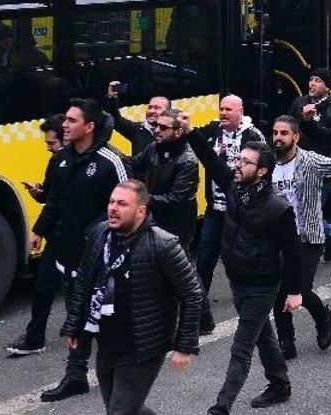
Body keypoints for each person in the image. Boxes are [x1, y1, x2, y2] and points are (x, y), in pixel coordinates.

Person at [60, 180, 204, 415]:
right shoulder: (100, 235)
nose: (113, 208)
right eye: (111, 202)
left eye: (122, 204)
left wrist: (184, 346)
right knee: (127, 409)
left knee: (119, 412)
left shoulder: (162, 244)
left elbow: (192, 294)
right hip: (106, 341)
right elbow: (84, 282)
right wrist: (74, 325)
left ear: (140, 211)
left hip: (142, 346)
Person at [190, 138, 303, 414]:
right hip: (236, 278)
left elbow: (293, 252)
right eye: (238, 160)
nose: (238, 165)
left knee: (241, 347)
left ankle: (221, 406)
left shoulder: (278, 208)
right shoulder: (234, 185)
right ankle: (279, 384)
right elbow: (209, 157)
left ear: (262, 170)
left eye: (245, 162)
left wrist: (294, 291)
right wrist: (188, 130)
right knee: (263, 334)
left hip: (262, 286)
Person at [36, 98, 130, 403]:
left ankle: (120, 374)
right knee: (76, 316)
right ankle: (75, 376)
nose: (65, 125)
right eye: (65, 120)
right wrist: (39, 230)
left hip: (102, 260)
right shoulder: (62, 159)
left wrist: (107, 241)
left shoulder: (110, 161)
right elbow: (55, 201)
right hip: (69, 255)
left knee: (106, 319)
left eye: (72, 121)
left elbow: (129, 206)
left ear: (89, 127)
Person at [269, 115, 331, 358]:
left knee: (300, 288)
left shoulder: (309, 161)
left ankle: (323, 318)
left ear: (296, 137)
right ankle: (286, 341)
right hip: (279, 239)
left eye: (284, 133)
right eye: (275, 133)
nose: (278, 138)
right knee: (279, 291)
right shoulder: (268, 163)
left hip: (308, 237)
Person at [189, 94, 264, 333]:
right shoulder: (212, 131)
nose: (223, 113)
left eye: (228, 110)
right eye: (221, 109)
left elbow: (265, 169)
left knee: (240, 258)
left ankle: (253, 299)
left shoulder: (253, 136)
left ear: (240, 111)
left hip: (240, 210)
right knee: (205, 258)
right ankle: (198, 311)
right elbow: (194, 141)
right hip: (216, 209)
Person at [7, 115, 69, 356]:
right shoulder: (56, 162)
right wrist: (37, 193)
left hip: (72, 234)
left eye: (52, 143)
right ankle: (36, 336)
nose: (48, 148)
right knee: (45, 285)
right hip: (59, 232)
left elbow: (56, 202)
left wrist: (38, 231)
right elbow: (50, 197)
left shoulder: (72, 161)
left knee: (71, 284)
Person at [130, 108, 199, 249]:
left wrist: (141, 199)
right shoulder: (154, 147)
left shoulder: (188, 160)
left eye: (163, 127)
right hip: (155, 217)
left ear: (178, 132)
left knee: (175, 265)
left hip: (177, 225)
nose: (156, 130)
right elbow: (133, 163)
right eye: (156, 125)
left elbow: (176, 199)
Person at [290, 68, 331, 157]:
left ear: (327, 87)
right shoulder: (299, 102)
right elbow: (289, 124)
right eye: (311, 79)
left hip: (320, 159)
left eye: (318, 81)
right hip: (296, 155)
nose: (312, 83)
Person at [105, 82, 170, 157]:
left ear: (168, 112)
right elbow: (115, 118)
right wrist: (112, 98)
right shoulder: (136, 129)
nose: (151, 111)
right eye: (150, 107)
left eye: (157, 108)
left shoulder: (173, 131)